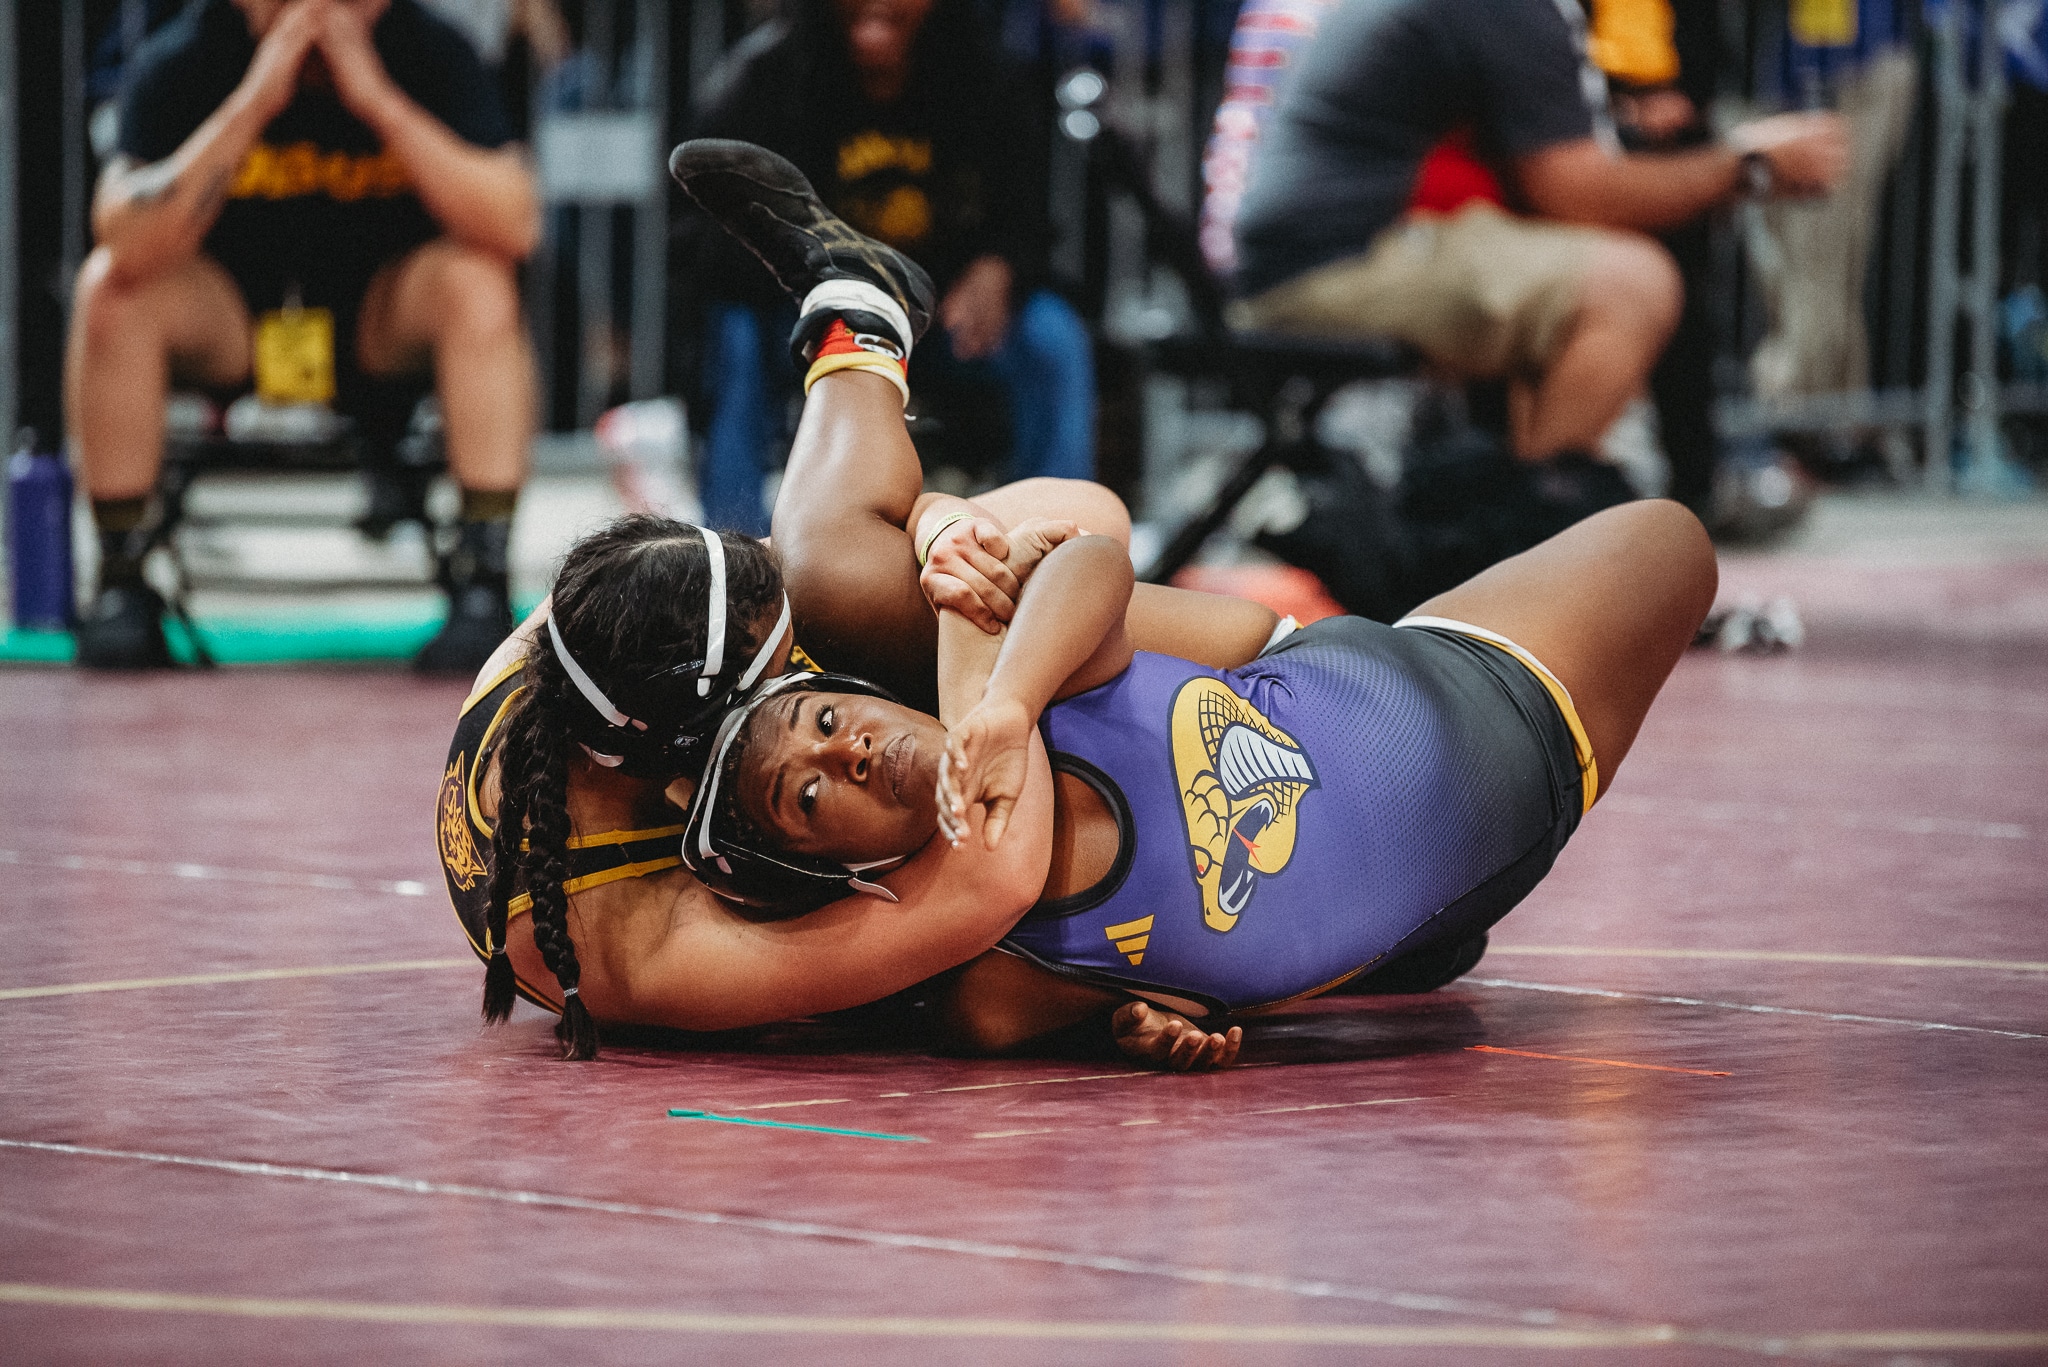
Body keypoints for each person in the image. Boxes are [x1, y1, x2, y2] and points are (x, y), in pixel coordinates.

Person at [443, 141, 1714, 1070]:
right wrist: (1149, 1002)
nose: (838, 730)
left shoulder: (620, 638)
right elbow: (971, 916)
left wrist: (961, 571)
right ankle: (860, 325)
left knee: (1667, 541)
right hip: (1430, 787)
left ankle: (857, 312)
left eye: (817, 700)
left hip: (1362, 683)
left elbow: (1087, 535)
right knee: (849, 580)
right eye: (811, 788)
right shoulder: (631, 945)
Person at [68, 0, 539, 673]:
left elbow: (515, 223)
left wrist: (377, 99)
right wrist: (255, 99)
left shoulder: (431, 51)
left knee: (480, 282)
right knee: (110, 289)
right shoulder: (186, 56)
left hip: (378, 321)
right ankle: (121, 584)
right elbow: (121, 232)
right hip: (235, 322)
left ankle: (482, 581)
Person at [1223, 0, 1848, 482]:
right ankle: (1526, 541)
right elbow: (1577, 191)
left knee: (1567, 280)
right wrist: (1748, 165)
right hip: (1329, 263)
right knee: (1633, 284)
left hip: (1311, 251)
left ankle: (1526, 529)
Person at [682, 0, 1093, 533]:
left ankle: (1051, 540)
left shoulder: (985, 74)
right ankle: (732, 551)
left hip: (941, 320)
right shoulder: (764, 78)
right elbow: (703, 244)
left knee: (1052, 335)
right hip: (806, 319)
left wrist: (999, 265)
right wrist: (822, 290)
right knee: (732, 333)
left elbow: (1028, 219)